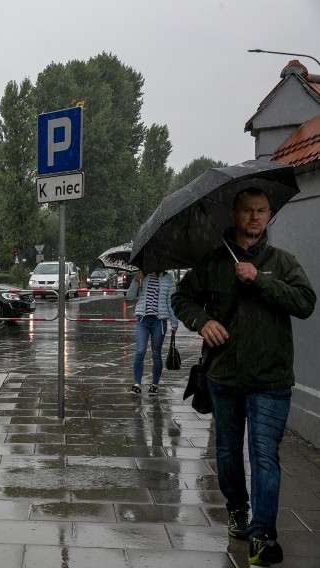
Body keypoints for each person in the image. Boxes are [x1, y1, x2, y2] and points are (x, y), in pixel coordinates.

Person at [172, 187, 315, 566]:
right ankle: (237, 508)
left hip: (272, 379)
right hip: (225, 377)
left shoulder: (282, 262)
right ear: (234, 215)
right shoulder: (213, 262)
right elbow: (181, 299)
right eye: (248, 211)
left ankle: (263, 535)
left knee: (266, 455)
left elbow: (305, 303)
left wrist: (260, 279)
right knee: (228, 453)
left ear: (269, 215)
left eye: (262, 211)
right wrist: (203, 322)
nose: (255, 217)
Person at [126, 270, 179, 394]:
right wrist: (136, 281)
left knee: (156, 353)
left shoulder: (168, 278)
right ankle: (137, 384)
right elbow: (129, 296)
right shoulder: (143, 275)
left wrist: (174, 322)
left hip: (159, 322)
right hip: (142, 320)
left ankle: (155, 384)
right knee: (140, 351)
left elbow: (171, 302)